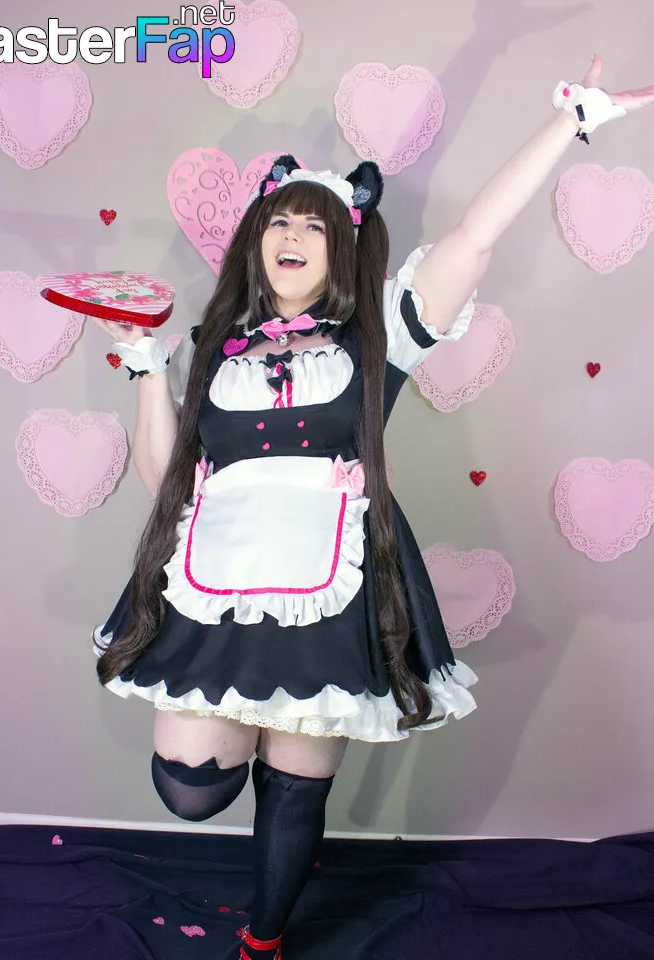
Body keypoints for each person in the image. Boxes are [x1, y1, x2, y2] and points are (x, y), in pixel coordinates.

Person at [91, 60, 654, 960]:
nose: (291, 234)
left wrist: (570, 121)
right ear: (256, 241)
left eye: (314, 225)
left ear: (343, 247)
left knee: (294, 787)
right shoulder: (209, 346)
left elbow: (473, 238)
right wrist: (149, 369)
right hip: (219, 577)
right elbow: (166, 479)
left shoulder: (382, 333)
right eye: (279, 220)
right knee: (189, 784)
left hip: (334, 579)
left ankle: (264, 941)